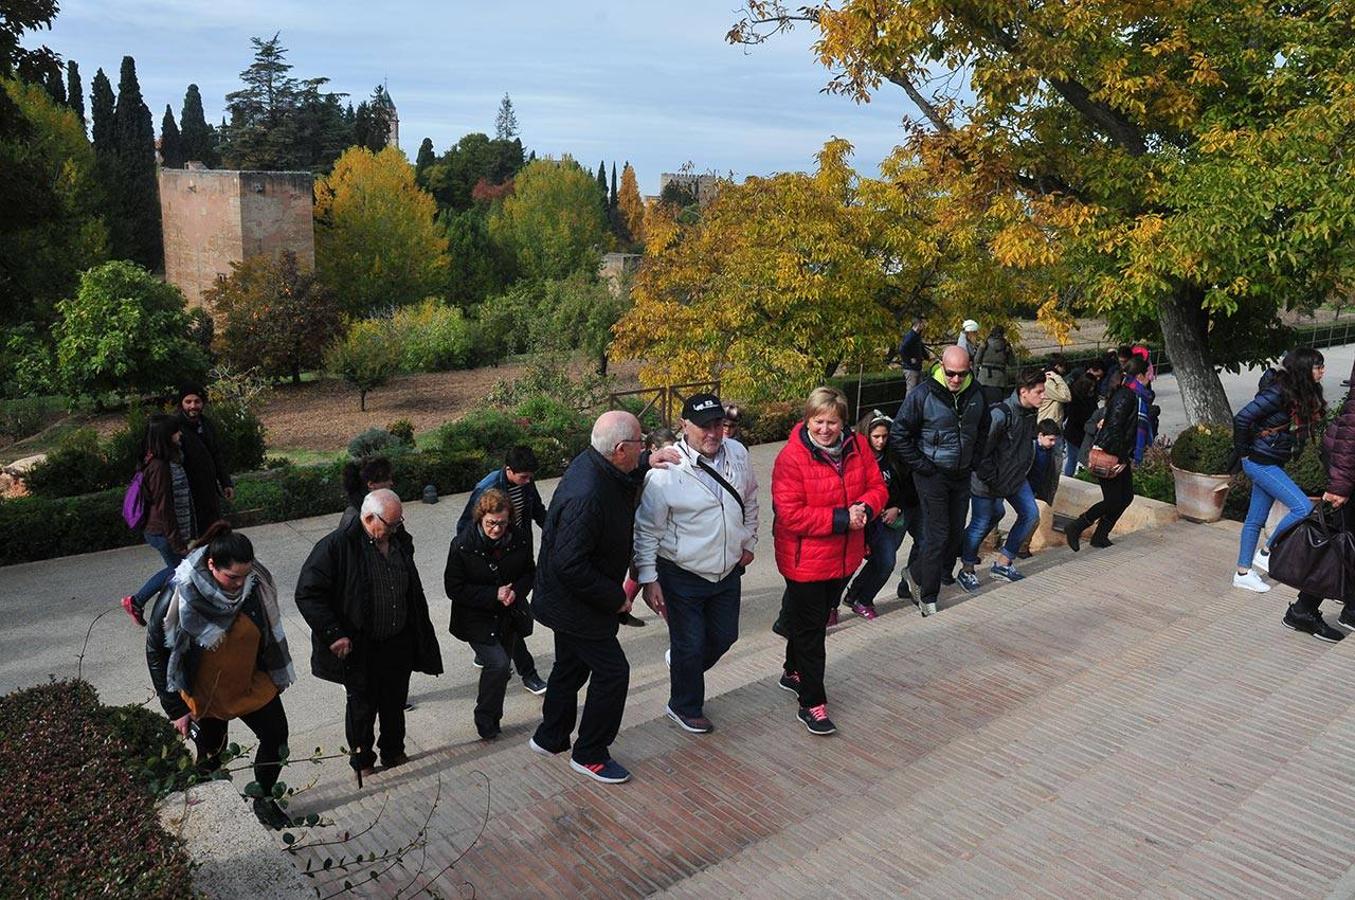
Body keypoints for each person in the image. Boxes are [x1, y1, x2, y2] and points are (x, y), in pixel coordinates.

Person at [529, 411, 656, 784]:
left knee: (570, 667)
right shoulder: (588, 494)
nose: (644, 446)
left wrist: (647, 462)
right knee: (613, 673)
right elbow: (570, 563)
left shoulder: (596, 464)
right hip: (576, 603)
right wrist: (615, 597)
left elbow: (624, 476)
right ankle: (590, 753)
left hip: (567, 600)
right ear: (619, 449)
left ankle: (550, 736)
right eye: (640, 443)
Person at [145, 521, 295, 829]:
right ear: (211, 564)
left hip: (250, 683)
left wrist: (275, 673)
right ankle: (213, 813)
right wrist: (176, 708)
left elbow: (268, 629)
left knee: (277, 738)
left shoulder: (255, 583)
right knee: (212, 756)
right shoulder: (180, 591)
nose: (240, 584)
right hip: (205, 693)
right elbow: (155, 651)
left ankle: (264, 800)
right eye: (232, 577)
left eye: (245, 575)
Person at [294, 489, 444, 785]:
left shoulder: (399, 540)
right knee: (362, 706)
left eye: (398, 523)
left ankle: (393, 751)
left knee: (395, 700)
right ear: (367, 518)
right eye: (389, 524)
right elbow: (308, 593)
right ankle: (362, 762)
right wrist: (333, 634)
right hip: (361, 646)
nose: (395, 529)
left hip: (397, 639)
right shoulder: (336, 546)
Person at [633, 393, 759, 734]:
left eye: (718, 424)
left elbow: (749, 498)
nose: (713, 433)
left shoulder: (738, 453)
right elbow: (646, 530)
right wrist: (648, 578)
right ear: (684, 426)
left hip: (727, 570)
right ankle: (684, 706)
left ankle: (683, 667)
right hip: (682, 574)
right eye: (704, 426)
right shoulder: (666, 471)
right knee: (689, 644)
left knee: (724, 636)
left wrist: (748, 540)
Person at [772, 387, 887, 736]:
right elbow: (790, 514)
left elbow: (877, 486)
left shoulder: (859, 446)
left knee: (813, 620)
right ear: (808, 420)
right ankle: (812, 703)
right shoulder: (790, 458)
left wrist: (866, 509)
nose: (825, 429)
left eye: (832, 422)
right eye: (818, 421)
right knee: (812, 632)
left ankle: (792, 670)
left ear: (843, 422)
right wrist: (841, 519)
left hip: (844, 556)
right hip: (805, 559)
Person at [890, 345, 991, 617]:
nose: (956, 379)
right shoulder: (922, 395)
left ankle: (915, 573)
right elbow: (899, 435)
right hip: (932, 474)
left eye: (961, 373)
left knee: (955, 532)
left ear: (969, 368)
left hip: (961, 472)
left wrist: (975, 459)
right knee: (937, 534)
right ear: (941, 368)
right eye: (950, 373)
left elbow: (983, 428)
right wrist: (923, 466)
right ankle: (928, 593)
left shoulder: (976, 392)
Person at [445, 488, 538, 739]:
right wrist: (492, 594)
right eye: (491, 523)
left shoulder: (518, 538)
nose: (496, 529)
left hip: (508, 614)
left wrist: (515, 592)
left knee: (501, 668)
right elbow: (453, 587)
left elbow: (529, 572)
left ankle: (493, 720)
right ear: (480, 518)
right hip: (476, 618)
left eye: (502, 523)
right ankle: (484, 719)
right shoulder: (463, 545)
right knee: (498, 664)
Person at [455, 446, 552, 686]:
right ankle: (528, 674)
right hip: (493, 560)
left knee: (505, 613)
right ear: (509, 470)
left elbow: (538, 511)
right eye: (524, 477)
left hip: (516, 552)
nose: (528, 481)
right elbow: (465, 527)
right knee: (513, 614)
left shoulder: (527, 483)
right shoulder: (487, 489)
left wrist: (558, 532)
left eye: (530, 477)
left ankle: (486, 650)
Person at [1231, 348, 1326, 593]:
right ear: (1305, 369)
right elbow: (1242, 418)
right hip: (1259, 460)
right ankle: (1268, 551)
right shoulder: (1278, 392)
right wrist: (1243, 453)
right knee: (1303, 507)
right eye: (1318, 366)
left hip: (1271, 459)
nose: (1322, 371)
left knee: (1254, 519)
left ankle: (1243, 572)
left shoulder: (1302, 392)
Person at [957, 368, 1046, 589]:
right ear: (1023, 392)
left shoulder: (1029, 413)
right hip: (987, 481)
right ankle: (966, 569)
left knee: (1031, 515)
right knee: (981, 523)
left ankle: (1003, 562)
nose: (1043, 396)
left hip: (1014, 478)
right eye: (1039, 391)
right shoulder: (1000, 414)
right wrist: (991, 478)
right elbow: (981, 452)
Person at [1284, 375, 1355, 641]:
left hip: (1346, 462)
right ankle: (1304, 609)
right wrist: (1340, 483)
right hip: (1348, 463)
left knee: (1347, 538)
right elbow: (1352, 424)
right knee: (1339, 541)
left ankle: (1349, 608)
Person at [842, 411, 920, 619]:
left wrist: (898, 508)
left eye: (885, 436)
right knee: (846, 564)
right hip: (857, 519)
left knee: (885, 561)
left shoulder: (893, 456)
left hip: (886, 520)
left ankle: (863, 598)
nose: (881, 441)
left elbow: (906, 486)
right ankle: (830, 606)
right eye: (876, 437)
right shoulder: (854, 456)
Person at [121, 414, 194, 626]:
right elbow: (165, 509)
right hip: (161, 531)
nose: (180, 434)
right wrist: (178, 542)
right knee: (180, 570)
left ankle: (140, 602)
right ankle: (138, 601)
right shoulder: (159, 467)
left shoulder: (158, 459)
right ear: (166, 436)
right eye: (176, 431)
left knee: (179, 570)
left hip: (163, 530)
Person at [1066, 361, 1142, 551]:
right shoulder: (1126, 396)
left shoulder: (1133, 395)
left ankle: (1100, 536)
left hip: (1119, 451)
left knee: (1126, 497)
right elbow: (1114, 429)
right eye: (1148, 373)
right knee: (1113, 500)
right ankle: (1077, 526)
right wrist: (1121, 458)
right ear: (1141, 375)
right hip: (1111, 453)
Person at [175, 383, 234, 535]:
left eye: (197, 401)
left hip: (209, 491)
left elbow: (216, 454)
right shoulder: (175, 427)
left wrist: (226, 482)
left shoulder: (206, 424)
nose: (193, 406)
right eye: (188, 402)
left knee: (215, 532)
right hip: (189, 495)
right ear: (181, 403)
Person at [1062, 370, 1100, 477]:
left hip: (1086, 433)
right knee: (1073, 459)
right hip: (1075, 433)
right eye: (1091, 385)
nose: (1092, 388)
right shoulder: (1075, 398)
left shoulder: (1091, 397)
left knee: (1083, 460)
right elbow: (1074, 416)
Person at [340, 457, 394, 529]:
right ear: (371, 484)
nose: (391, 483)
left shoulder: (379, 508)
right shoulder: (355, 519)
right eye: (387, 479)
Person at [973, 324, 1015, 403]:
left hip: (984, 379)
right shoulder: (1006, 345)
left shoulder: (985, 344)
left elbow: (977, 360)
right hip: (1000, 381)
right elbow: (1012, 363)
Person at [891, 315, 928, 394]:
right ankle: (909, 406)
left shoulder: (917, 336)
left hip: (917, 367)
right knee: (911, 391)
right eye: (922, 324)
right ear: (918, 324)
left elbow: (921, 348)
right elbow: (902, 349)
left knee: (920, 390)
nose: (924, 326)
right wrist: (909, 360)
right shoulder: (910, 336)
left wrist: (927, 357)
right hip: (911, 369)